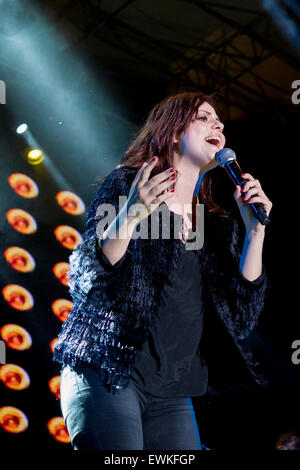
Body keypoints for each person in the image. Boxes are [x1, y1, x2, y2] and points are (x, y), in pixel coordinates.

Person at [52, 92, 272, 450]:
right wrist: (132, 214)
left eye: (219, 120)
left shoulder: (212, 222)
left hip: (171, 392)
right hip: (109, 370)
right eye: (203, 117)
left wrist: (256, 232)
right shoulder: (129, 185)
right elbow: (86, 278)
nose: (217, 124)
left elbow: (240, 311)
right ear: (172, 132)